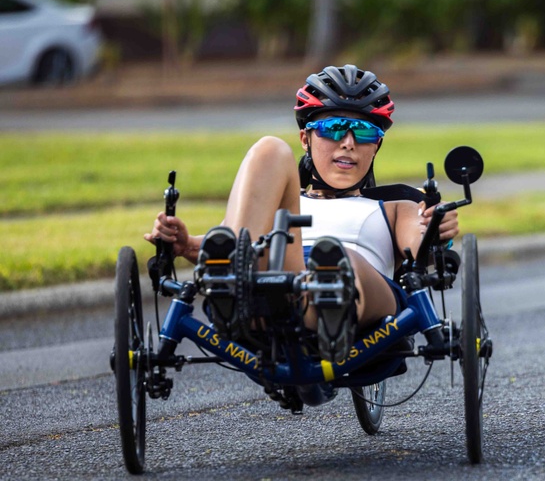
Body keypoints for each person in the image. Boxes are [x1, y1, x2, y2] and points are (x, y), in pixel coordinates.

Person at [145, 64, 459, 361]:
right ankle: (237, 292)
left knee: (338, 260)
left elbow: (421, 250)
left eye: (363, 133)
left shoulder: (396, 207)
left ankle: (330, 295)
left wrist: (436, 232)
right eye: (333, 129)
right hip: (280, 286)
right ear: (305, 139)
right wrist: (185, 246)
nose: (348, 143)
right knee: (269, 149)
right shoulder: (281, 201)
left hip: (361, 293)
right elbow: (229, 244)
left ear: (375, 146)